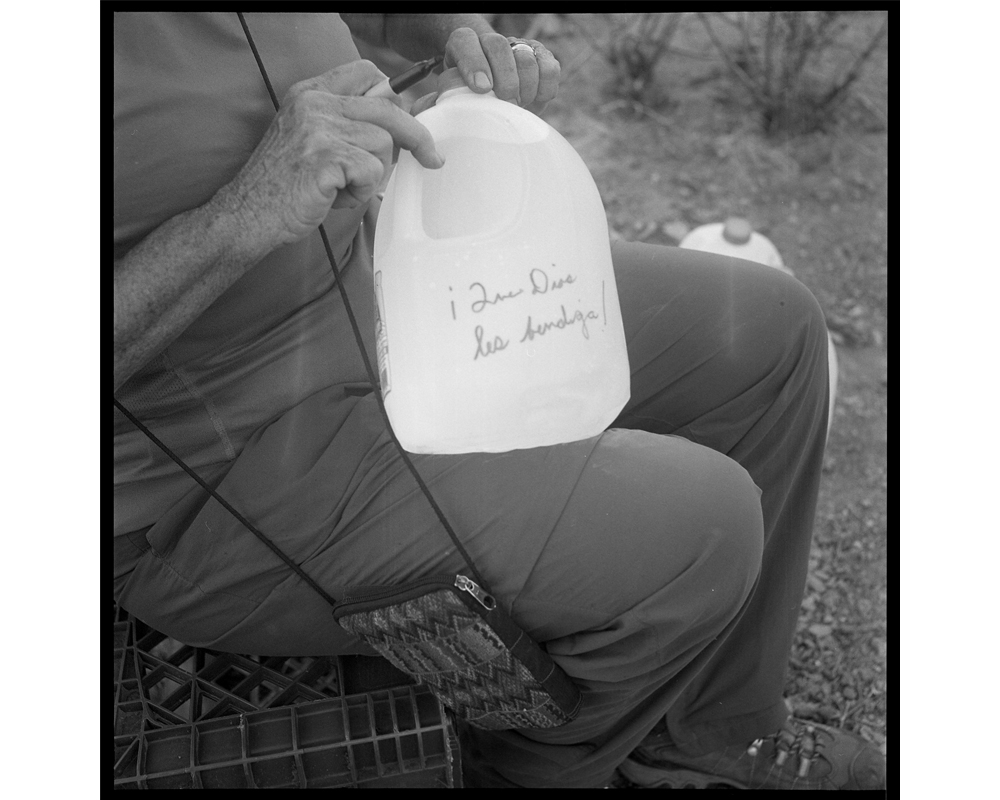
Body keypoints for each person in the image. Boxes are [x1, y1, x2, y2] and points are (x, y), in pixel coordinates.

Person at [113, 12, 885, 790]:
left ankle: (706, 731)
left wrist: (454, 31)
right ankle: (527, 772)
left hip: (382, 291)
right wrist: (242, 213)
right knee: (706, 527)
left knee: (764, 333)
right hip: (217, 472)